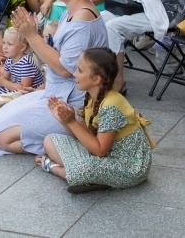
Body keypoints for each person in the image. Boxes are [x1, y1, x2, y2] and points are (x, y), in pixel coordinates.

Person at [0, 0, 108, 156]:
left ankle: (74, 144)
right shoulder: (72, 10)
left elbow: (64, 69)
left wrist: (31, 35)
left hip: (73, 102)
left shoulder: (82, 20)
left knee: (2, 138)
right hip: (56, 92)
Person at [36, 47, 154, 193]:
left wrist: (72, 122)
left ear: (96, 79)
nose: (74, 73)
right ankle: (94, 179)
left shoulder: (111, 106)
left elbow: (100, 150)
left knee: (81, 169)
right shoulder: (93, 96)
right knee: (49, 140)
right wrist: (65, 120)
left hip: (128, 168)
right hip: (106, 157)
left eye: (80, 70)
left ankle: (54, 168)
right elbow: (88, 136)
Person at [0, 27, 44, 102]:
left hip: (32, 91)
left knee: (4, 93)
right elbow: (4, 77)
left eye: (9, 44)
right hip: (17, 86)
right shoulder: (9, 59)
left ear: (22, 47)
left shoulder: (26, 63)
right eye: (4, 42)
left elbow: (25, 89)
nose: (5, 47)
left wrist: (3, 82)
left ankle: (0, 101)